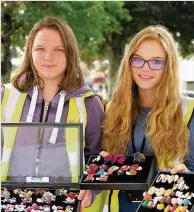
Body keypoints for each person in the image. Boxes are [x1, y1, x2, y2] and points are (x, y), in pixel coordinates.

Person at [84, 25, 194, 212]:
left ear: (169, 66)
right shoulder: (111, 109)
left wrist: (188, 176)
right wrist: (102, 165)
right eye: (138, 60)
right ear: (129, 62)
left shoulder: (188, 110)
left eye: (156, 61)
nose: (145, 68)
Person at [1, 16, 104, 210]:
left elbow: (97, 157)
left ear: (70, 54)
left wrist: (91, 189)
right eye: (40, 49)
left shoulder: (89, 103)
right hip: (11, 204)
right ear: (30, 52)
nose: (49, 56)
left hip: (65, 204)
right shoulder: (5, 96)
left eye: (59, 49)